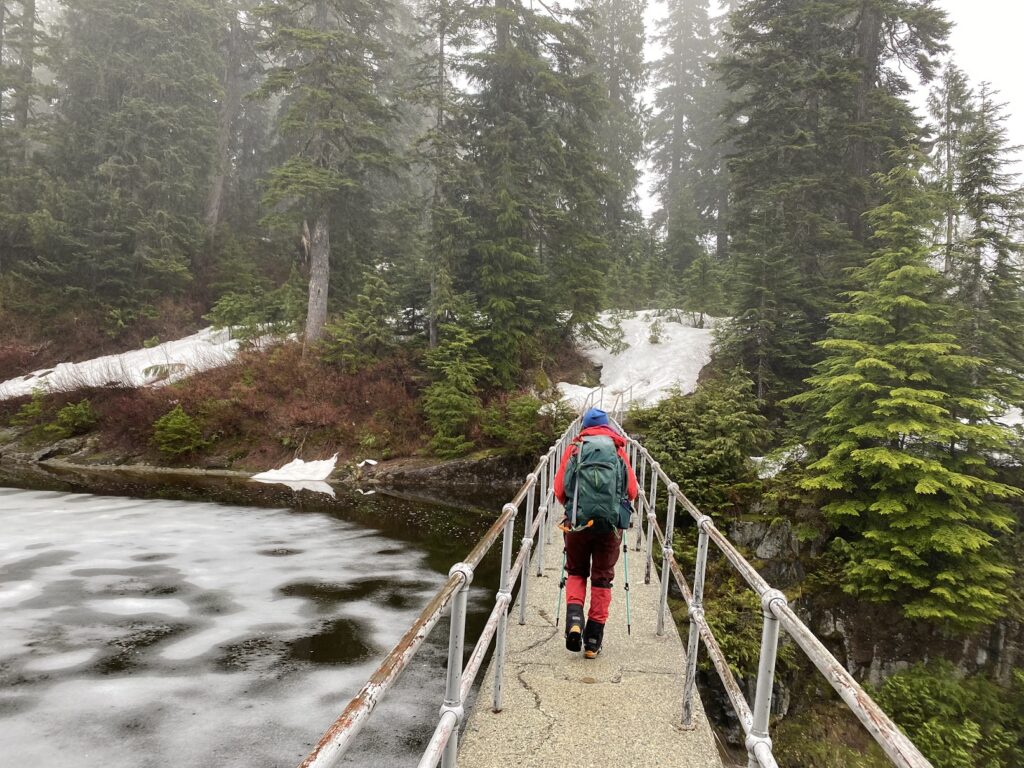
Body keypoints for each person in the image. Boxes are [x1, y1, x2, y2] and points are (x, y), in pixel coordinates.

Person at [553, 407, 638, 658]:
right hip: (610, 528)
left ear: (584, 427)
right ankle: (592, 641)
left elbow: (560, 490)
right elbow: (632, 492)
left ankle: (574, 622)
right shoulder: (618, 450)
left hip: (578, 524)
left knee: (577, 572)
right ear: (607, 427)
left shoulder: (576, 449)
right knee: (602, 579)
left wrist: (575, 508)